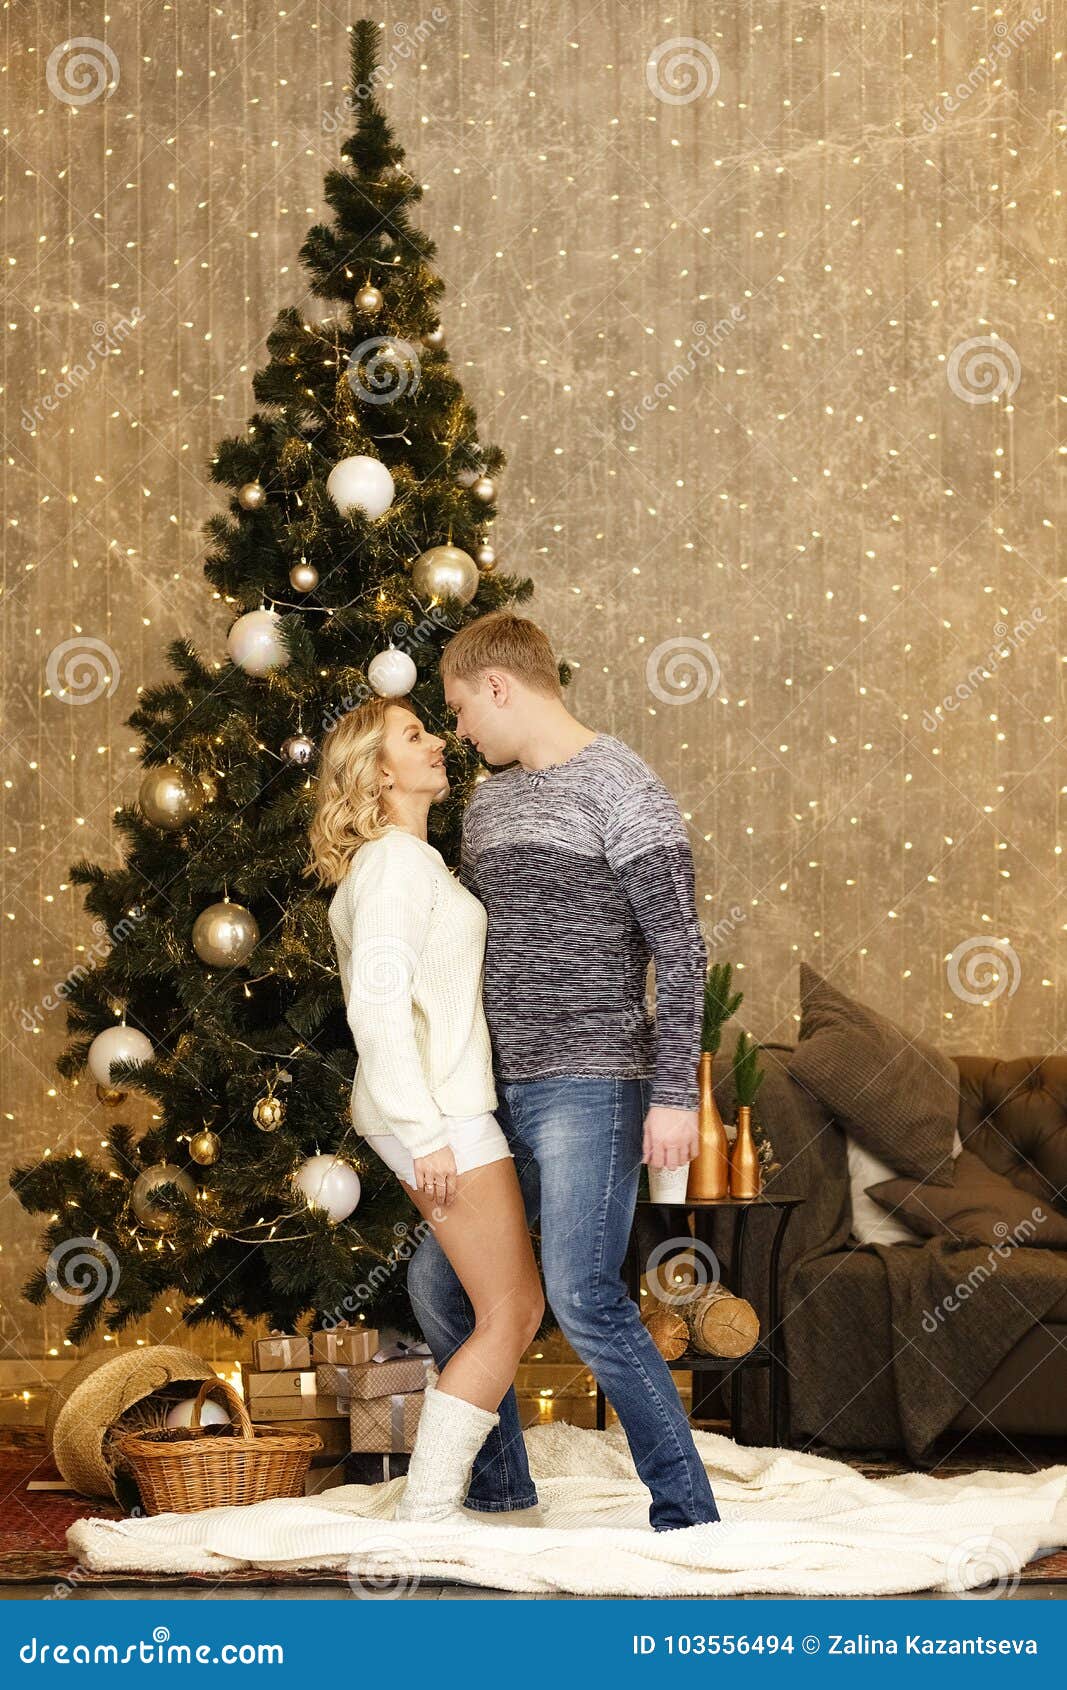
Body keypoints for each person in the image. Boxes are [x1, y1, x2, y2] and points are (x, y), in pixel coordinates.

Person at [410, 608, 722, 1533]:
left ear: (499, 687)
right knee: (437, 1283)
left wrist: (672, 1095)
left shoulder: (624, 788)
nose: (459, 730)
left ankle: (687, 1514)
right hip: (496, 1096)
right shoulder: (488, 803)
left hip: (595, 1082)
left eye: (462, 707)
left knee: (583, 1293)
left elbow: (682, 949)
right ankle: (500, 1487)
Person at [306, 696, 544, 1524]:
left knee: (489, 1301)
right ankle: (429, 1515)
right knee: (512, 1310)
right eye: (414, 737)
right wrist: (423, 1132)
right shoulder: (395, 867)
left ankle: (473, 1497)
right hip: (436, 1113)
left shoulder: (411, 859)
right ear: (378, 772)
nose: (437, 742)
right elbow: (375, 1008)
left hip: (439, 1107)